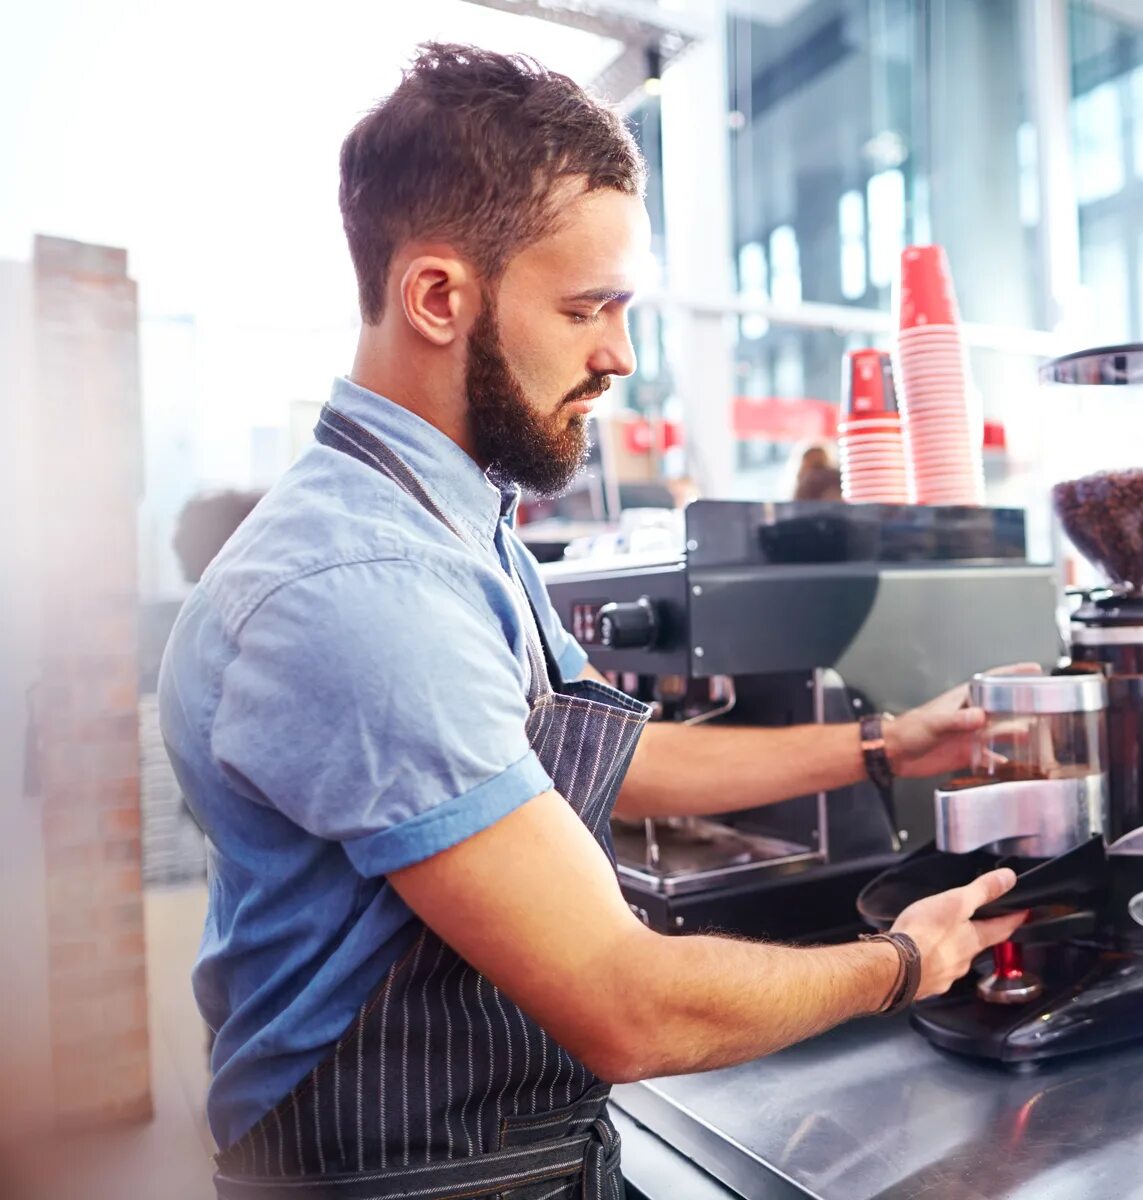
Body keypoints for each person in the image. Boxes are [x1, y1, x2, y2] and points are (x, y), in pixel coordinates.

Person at [158, 45, 1025, 1199]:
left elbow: (598, 758)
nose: (619, 354)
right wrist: (908, 961)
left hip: (528, 1154)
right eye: (585, 308)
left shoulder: (455, 519)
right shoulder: (360, 589)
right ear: (435, 297)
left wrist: (881, 744)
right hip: (423, 1179)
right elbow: (628, 1005)